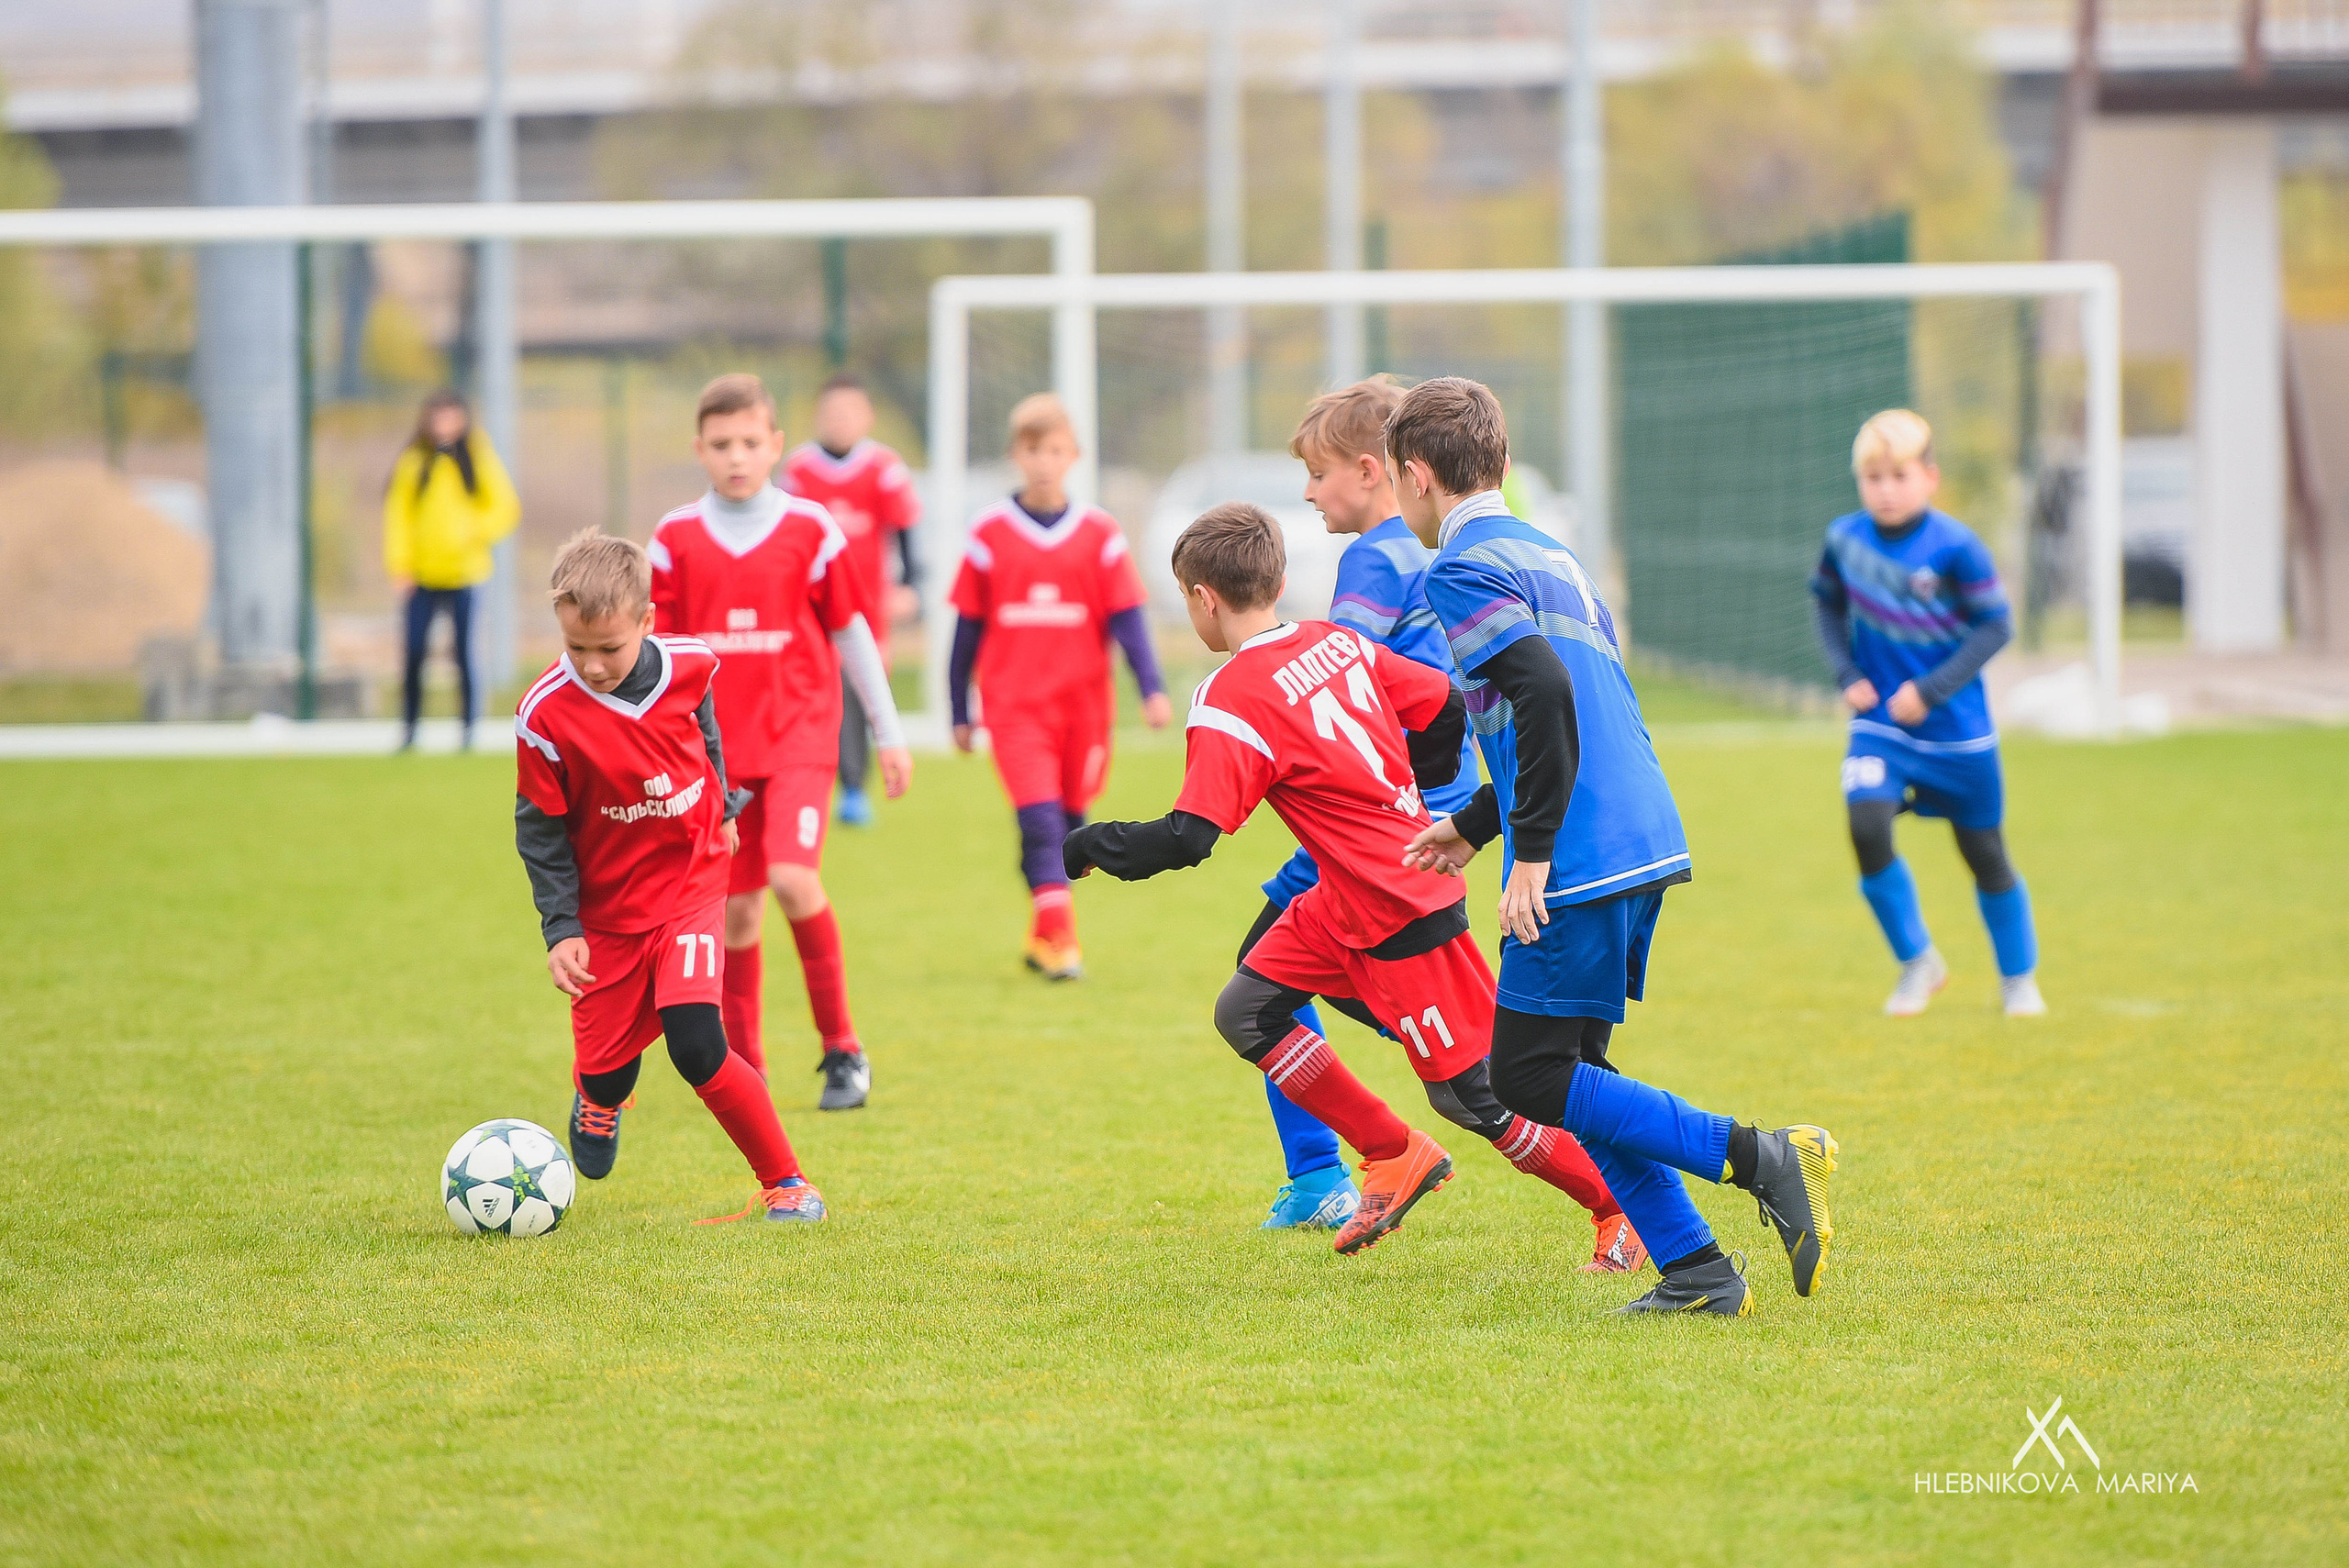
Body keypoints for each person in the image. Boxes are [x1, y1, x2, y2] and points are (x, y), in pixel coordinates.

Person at [1065, 504, 1631, 1261]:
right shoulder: (1333, 642)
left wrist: (1087, 843)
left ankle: (1617, 1208)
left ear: (1203, 597)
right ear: (1278, 578)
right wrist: (1413, 791)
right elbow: (1442, 708)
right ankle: (1392, 1151)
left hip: (1401, 908)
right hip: (1343, 899)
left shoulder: (1228, 697)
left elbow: (1189, 837)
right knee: (1248, 1010)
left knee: (1477, 1094)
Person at [1393, 376, 1837, 1316]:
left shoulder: (1458, 567)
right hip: (1636, 829)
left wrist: (1534, 851)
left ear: (1416, 476)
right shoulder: (1548, 551)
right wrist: (1478, 823)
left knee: (1527, 1074)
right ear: (1502, 465)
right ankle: (1698, 1270)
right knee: (1576, 1071)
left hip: (1581, 848)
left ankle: (1763, 1154)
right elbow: (1571, 702)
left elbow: (1546, 692)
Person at [1247, 379, 1643, 1273]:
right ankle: (1334, 1164)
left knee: (1476, 1079)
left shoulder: (1378, 560)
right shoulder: (1449, 548)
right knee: (1259, 992)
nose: (1309, 493)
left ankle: (1610, 1198)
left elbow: (1337, 677)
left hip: (1385, 831)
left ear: (1377, 471)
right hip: (1419, 817)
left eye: (1316, 474)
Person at [512, 528, 823, 1224]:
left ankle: (788, 1182)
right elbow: (540, 831)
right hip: (608, 911)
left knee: (696, 1042)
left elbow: (704, 729)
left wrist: (724, 801)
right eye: (576, 649)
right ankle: (599, 1095)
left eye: (609, 648)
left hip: (691, 880)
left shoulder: (693, 664)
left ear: (648, 623)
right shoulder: (542, 717)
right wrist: (562, 928)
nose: (592, 666)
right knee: (607, 1068)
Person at [650, 374, 911, 1113]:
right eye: (722, 444)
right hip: (715, 755)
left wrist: (889, 733)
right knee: (737, 911)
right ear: (701, 449)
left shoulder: (811, 529)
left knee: (795, 881)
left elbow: (850, 632)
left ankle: (843, 1050)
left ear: (775, 447)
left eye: (750, 443)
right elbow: (657, 658)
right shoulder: (673, 540)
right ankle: (748, 1066)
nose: (736, 457)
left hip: (800, 738)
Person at [1811, 408, 2044, 1018]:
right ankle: (1918, 962)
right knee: (1866, 828)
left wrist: (1932, 689)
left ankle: (2019, 979)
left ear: (1930, 477)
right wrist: (1848, 673)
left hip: (1957, 734)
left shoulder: (1957, 546)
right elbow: (1827, 607)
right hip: (1881, 727)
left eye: (1899, 475)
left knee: (1985, 853)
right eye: (1873, 477)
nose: (1886, 489)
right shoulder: (1844, 539)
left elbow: (1996, 625)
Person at [948, 393, 1172, 981]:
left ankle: (1043, 935)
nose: (1043, 461)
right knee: (1041, 822)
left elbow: (1127, 620)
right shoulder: (988, 534)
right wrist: (957, 710)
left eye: (1054, 450)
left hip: (1083, 711)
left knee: (1070, 826)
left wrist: (1151, 688)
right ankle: (1065, 945)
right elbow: (966, 630)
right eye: (1032, 450)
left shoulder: (1099, 534)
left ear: (1073, 455)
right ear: (1015, 455)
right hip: (1014, 708)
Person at [781, 374, 923, 830]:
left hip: (867, 605)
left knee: (864, 687)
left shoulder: (883, 467)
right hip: (811, 605)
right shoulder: (799, 470)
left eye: (849, 413)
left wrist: (909, 583)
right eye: (832, 413)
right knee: (822, 689)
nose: (840, 421)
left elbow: (905, 531)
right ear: (819, 418)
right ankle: (822, 782)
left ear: (867, 417)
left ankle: (856, 788)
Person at [383, 389, 519, 751]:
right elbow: (399, 517)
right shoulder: (415, 462)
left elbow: (505, 507)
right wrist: (400, 565)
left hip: (466, 574)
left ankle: (468, 729)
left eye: (450, 416)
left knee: (464, 654)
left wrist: (472, 532)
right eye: (437, 416)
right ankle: (410, 728)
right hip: (423, 576)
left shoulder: (477, 458)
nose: (443, 424)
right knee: (413, 653)